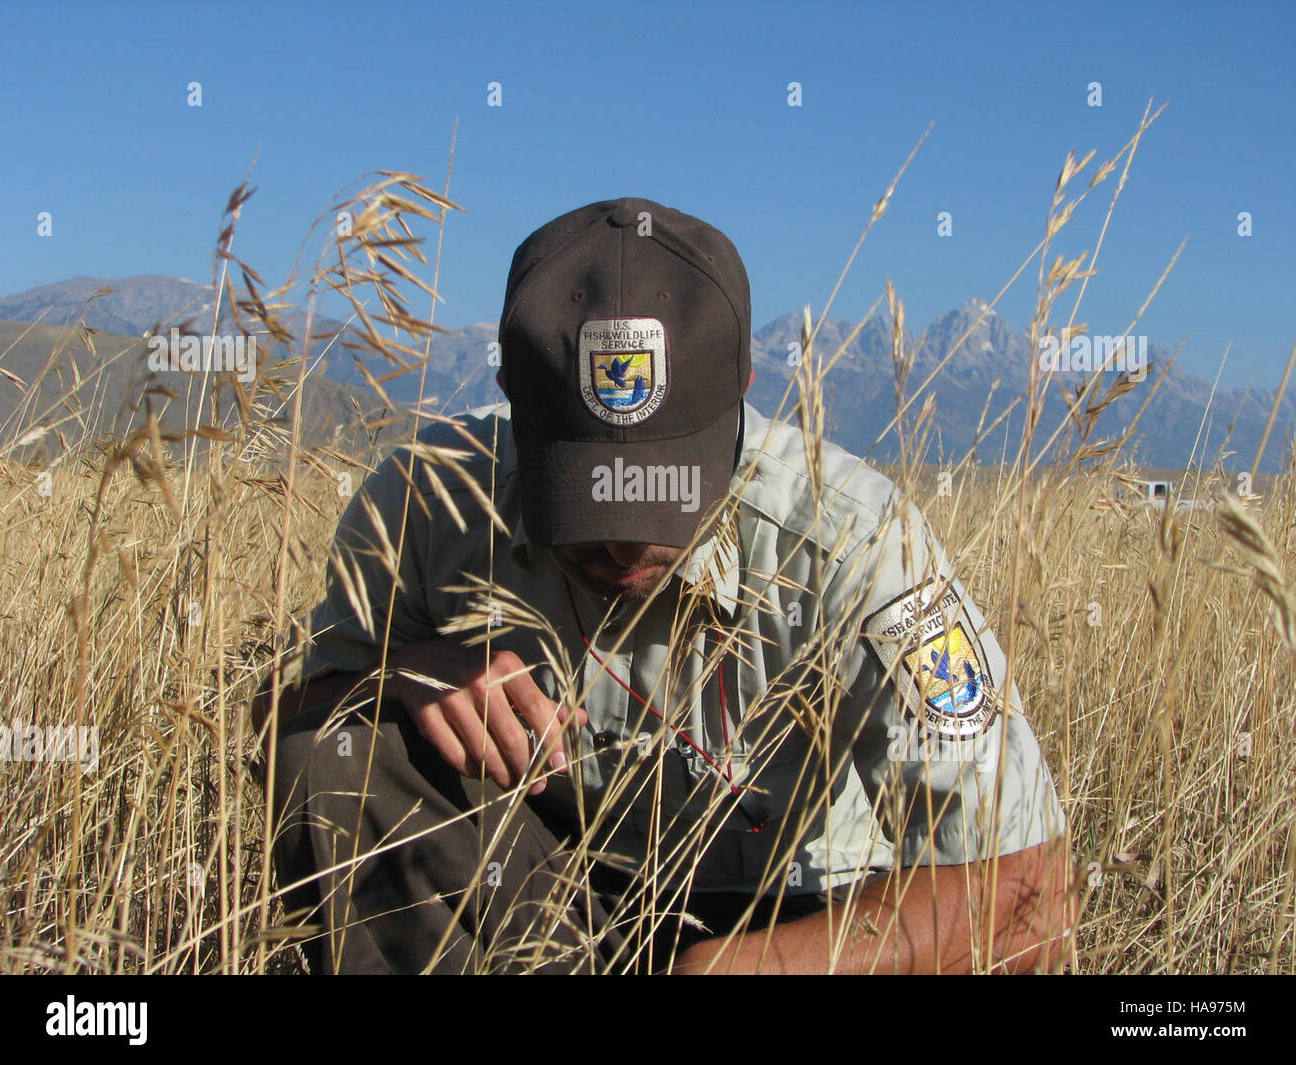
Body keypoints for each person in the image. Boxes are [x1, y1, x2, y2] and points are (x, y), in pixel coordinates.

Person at [253, 197, 1071, 974]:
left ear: (741, 392)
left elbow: (1032, 895)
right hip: (546, 901)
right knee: (335, 756)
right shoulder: (426, 503)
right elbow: (277, 733)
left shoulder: (857, 544)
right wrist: (401, 678)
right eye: (579, 491)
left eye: (663, 493)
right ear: (511, 399)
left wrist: (735, 968)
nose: (622, 542)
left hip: (802, 927)